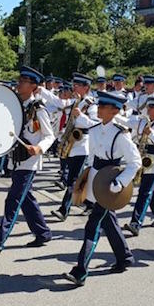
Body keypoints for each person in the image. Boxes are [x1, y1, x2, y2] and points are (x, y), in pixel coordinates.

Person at [62, 91, 141, 286]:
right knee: (108, 221)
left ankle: (80, 270)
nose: (100, 109)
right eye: (100, 105)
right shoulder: (96, 128)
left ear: (114, 111)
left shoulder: (120, 134)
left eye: (104, 107)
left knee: (93, 225)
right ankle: (124, 258)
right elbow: (91, 152)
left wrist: (121, 182)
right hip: (96, 180)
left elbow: (135, 162)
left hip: (110, 184)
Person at [0, 66, 54, 256]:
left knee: (13, 200)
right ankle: (43, 232)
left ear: (33, 86)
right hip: (15, 159)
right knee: (26, 199)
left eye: (23, 81)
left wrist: (39, 148)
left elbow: (50, 135)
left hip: (29, 162)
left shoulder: (38, 109)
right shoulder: (14, 106)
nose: (19, 83)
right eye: (19, 80)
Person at [51, 73, 97, 222]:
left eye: (78, 85)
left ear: (86, 87)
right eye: (74, 84)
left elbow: (95, 124)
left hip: (83, 145)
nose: (74, 87)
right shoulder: (76, 102)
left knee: (73, 179)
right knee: (80, 178)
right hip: (73, 143)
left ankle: (64, 209)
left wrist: (81, 116)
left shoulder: (91, 104)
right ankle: (90, 203)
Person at [124, 97, 154, 236]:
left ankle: (136, 223)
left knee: (145, 192)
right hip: (143, 158)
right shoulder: (144, 121)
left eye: (152, 107)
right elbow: (127, 122)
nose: (148, 109)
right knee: (152, 190)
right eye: (149, 107)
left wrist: (152, 133)